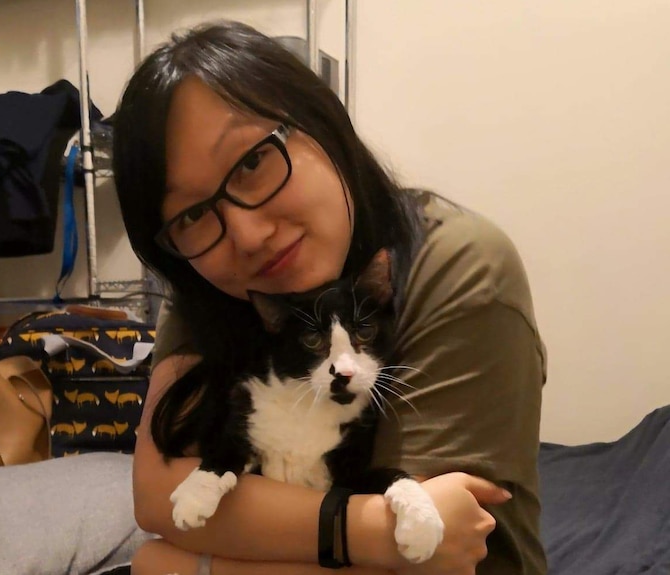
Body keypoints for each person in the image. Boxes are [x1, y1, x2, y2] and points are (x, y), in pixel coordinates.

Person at [112, 20, 547, 575]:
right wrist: (358, 531)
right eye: (193, 215)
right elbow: (156, 497)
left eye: (251, 163)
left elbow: (428, 553)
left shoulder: (461, 265)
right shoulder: (213, 287)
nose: (246, 235)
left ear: (321, 121)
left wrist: (178, 567)